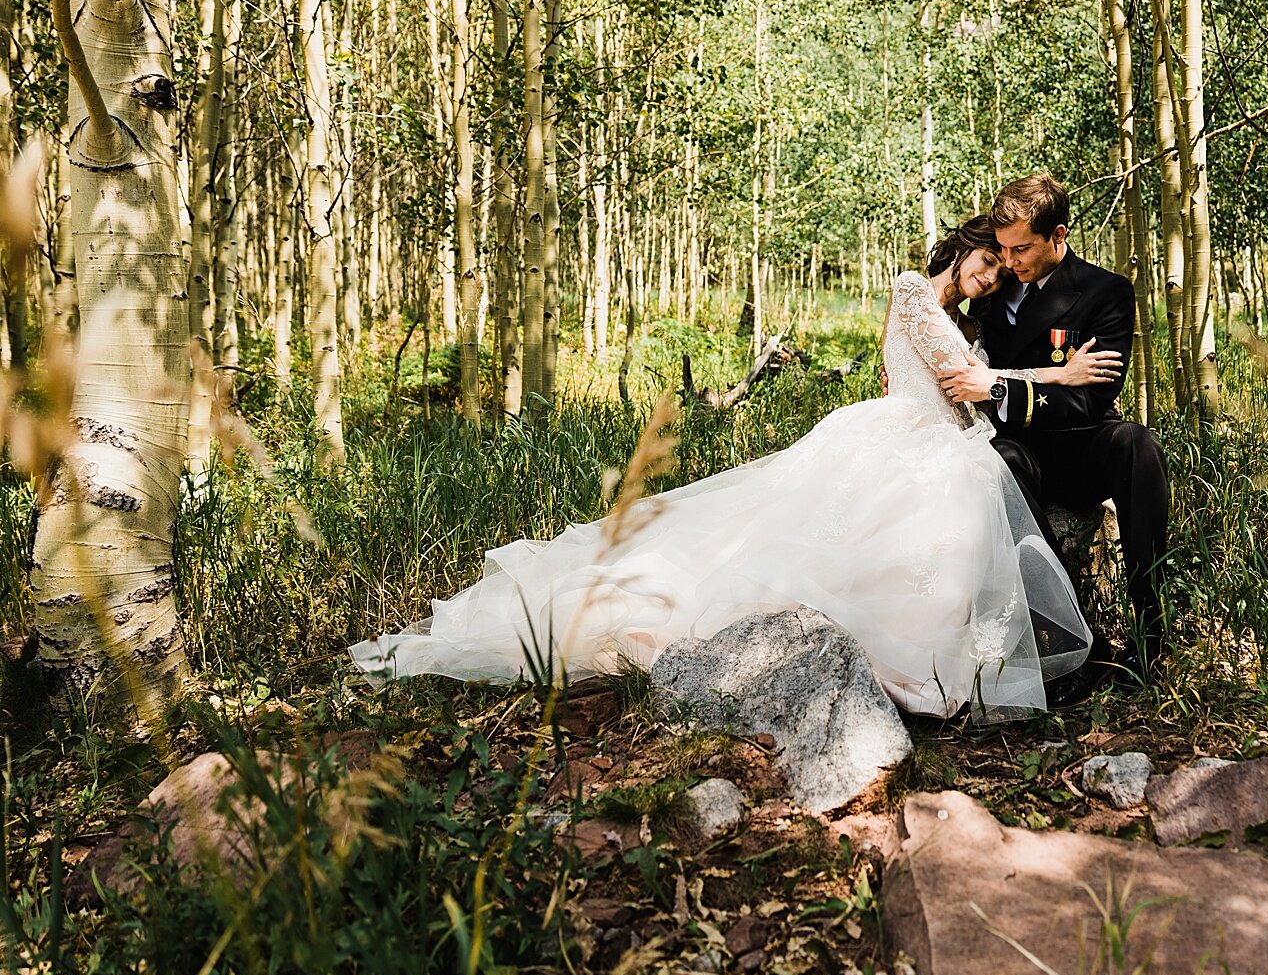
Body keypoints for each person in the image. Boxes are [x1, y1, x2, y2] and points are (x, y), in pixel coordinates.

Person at [350, 217, 1122, 721]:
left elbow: (970, 390)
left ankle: (906, 668)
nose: (989, 278)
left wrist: (1004, 389)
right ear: (959, 250)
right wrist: (1062, 376)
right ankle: (867, 664)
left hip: (941, 435)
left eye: (998, 271)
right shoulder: (915, 291)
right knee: (856, 530)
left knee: (934, 530)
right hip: (903, 433)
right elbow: (958, 380)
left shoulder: (964, 316)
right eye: (985, 263)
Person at [942, 173, 1172, 701]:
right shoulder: (992, 297)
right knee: (1002, 457)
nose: (1010, 261)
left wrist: (998, 387)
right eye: (1001, 249)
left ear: (1058, 236)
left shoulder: (1105, 292)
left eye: (1021, 248)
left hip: (1079, 447)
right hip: (1020, 452)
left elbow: (1089, 399)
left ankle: (1150, 635)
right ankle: (1065, 638)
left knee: (1137, 446)